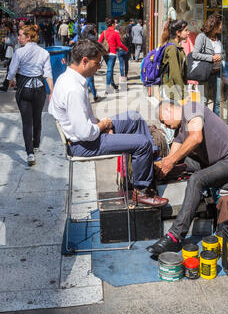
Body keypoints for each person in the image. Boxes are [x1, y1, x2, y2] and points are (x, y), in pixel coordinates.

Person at [48, 39, 168, 207]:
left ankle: (151, 159)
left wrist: (101, 125)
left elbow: (86, 118)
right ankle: (141, 190)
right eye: (97, 63)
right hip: (83, 144)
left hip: (88, 134)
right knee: (142, 144)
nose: (99, 68)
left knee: (134, 117)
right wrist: (103, 127)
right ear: (84, 61)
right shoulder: (72, 89)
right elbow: (85, 133)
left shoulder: (70, 78)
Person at [146, 99, 228, 255]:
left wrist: (171, 161)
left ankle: (175, 236)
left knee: (197, 179)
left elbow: (196, 138)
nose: (164, 126)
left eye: (163, 121)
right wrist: (162, 166)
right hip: (214, 162)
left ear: (168, 110)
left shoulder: (191, 108)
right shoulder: (179, 130)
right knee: (179, 163)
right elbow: (173, 156)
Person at [7, 25, 53, 166]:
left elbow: (12, 71)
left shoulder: (19, 52)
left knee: (27, 122)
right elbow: (48, 74)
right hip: (39, 89)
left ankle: (30, 153)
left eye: (22, 36)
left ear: (28, 37)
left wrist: (10, 81)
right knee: (37, 117)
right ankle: (36, 143)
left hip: (25, 89)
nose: (20, 38)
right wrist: (51, 91)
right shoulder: (44, 53)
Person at [192, 13, 224, 116]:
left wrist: (222, 56)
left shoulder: (220, 38)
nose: (222, 27)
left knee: (218, 101)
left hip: (217, 72)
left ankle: (215, 125)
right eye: (220, 25)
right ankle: (202, 125)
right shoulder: (202, 37)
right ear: (214, 25)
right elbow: (195, 54)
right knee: (203, 101)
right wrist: (211, 58)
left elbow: (224, 52)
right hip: (204, 73)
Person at [160, 19, 188, 101]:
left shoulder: (176, 47)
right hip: (171, 91)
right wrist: (184, 93)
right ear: (178, 33)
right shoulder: (172, 48)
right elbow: (175, 74)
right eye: (186, 30)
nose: (188, 33)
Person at [98, 18, 128, 94]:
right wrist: (126, 49)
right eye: (115, 24)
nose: (116, 25)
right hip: (112, 53)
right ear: (112, 24)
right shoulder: (115, 33)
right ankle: (108, 88)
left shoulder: (104, 32)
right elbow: (120, 44)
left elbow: (99, 42)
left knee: (109, 69)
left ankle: (113, 84)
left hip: (105, 53)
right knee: (109, 70)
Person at [81, 23, 101, 102]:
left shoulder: (82, 36)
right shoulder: (93, 38)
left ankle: (95, 95)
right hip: (91, 58)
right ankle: (84, 95)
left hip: (83, 59)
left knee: (90, 78)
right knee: (89, 78)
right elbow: (97, 48)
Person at [0, 20, 18, 92]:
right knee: (11, 69)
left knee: (12, 69)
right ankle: (6, 85)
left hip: (15, 53)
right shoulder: (10, 33)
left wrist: (5, 40)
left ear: (8, 27)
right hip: (12, 53)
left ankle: (6, 85)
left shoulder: (13, 33)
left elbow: (13, 42)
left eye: (4, 26)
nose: (4, 28)